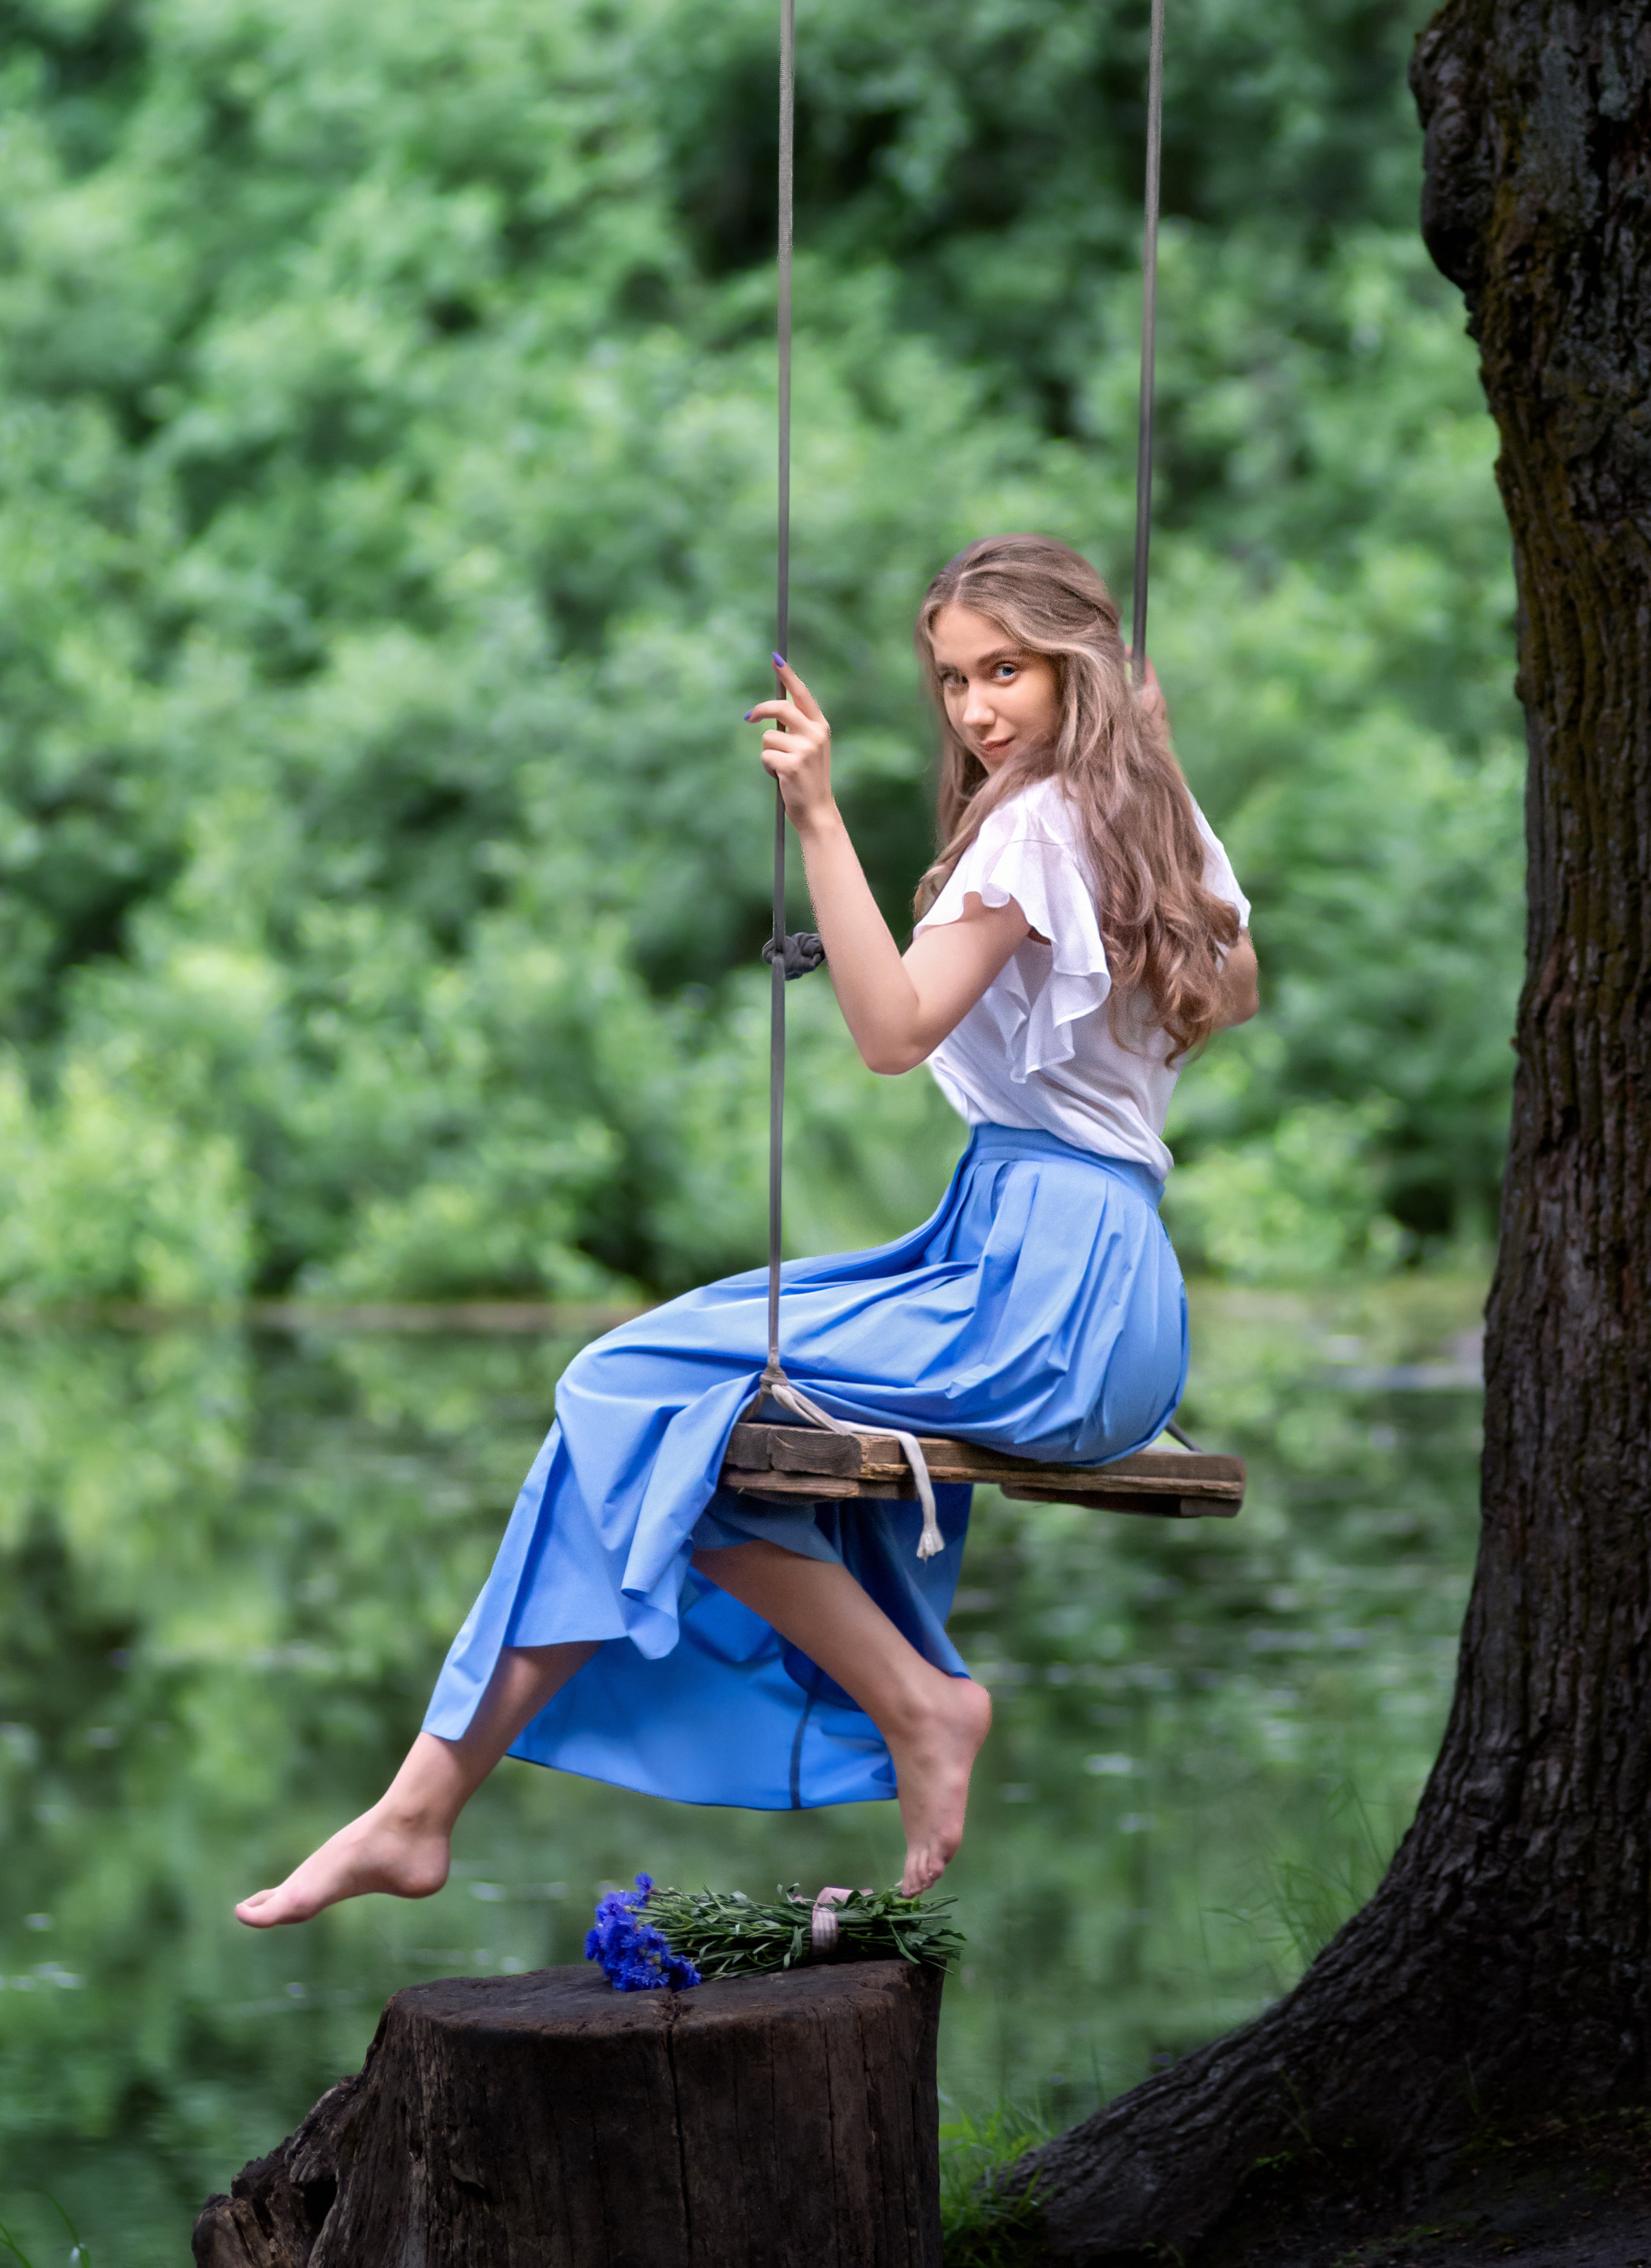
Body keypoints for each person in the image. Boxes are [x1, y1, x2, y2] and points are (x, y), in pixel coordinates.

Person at [235, 533, 1257, 1929]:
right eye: (953, 680)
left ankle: (905, 1703)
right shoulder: (1148, 821)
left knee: (629, 1391)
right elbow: (1232, 988)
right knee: (661, 1412)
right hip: (1111, 1299)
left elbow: (894, 1034)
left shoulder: (1034, 826)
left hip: (1040, 1289)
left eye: (1003, 672)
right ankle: (419, 1811)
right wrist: (1143, 781)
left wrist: (820, 820)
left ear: (1077, 661)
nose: (972, 711)